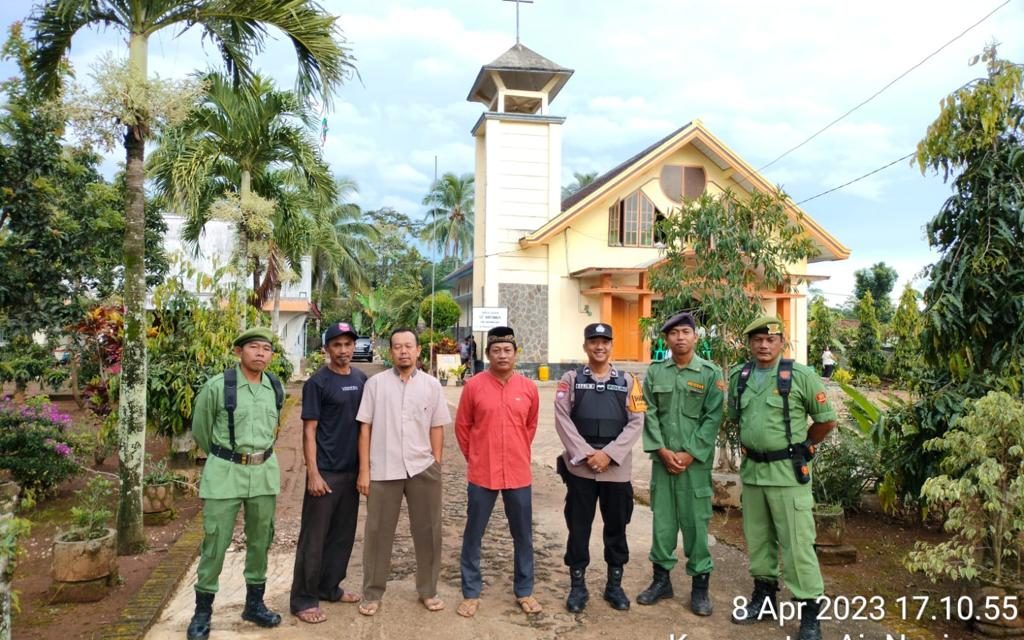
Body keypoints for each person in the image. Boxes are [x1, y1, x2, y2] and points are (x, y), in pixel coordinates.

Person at [728, 316, 837, 640]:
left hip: (788, 475)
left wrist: (805, 446)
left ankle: (809, 614)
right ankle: (763, 599)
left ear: (781, 343)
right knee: (759, 542)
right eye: (758, 339)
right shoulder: (740, 376)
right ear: (749, 343)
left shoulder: (800, 375)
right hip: (753, 474)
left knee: (797, 545)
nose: (763, 345)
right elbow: (737, 417)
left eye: (770, 340)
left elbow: (826, 421)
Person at [187, 328, 285, 640]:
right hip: (225, 472)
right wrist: (225, 456)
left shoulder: (274, 386)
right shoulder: (218, 387)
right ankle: (203, 611)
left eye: (266, 348)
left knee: (260, 540)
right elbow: (201, 430)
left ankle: (254, 604)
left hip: (263, 473)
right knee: (215, 541)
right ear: (238, 352)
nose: (260, 353)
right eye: (253, 347)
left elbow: (273, 428)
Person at [355, 328, 451, 617]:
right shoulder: (375, 384)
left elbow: (437, 426)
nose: (403, 351)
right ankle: (372, 592)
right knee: (377, 533)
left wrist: (436, 462)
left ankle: (428, 589)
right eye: (397, 347)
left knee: (429, 531)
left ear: (419, 350)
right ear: (391, 352)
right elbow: (365, 428)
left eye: (408, 346)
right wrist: (364, 471)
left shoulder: (432, 386)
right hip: (383, 469)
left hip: (423, 468)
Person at [637, 311, 724, 616]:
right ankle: (662, 582)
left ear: (695, 337)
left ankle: (700, 588)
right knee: (662, 522)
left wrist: (689, 453)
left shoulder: (711, 374)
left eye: (686, 332)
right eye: (673, 334)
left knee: (696, 524)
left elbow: (713, 417)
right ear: (666, 339)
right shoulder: (657, 372)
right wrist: (661, 450)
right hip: (662, 463)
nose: (680, 338)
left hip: (694, 466)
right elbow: (647, 412)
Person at [553, 322, 645, 613]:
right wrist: (585, 454)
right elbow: (562, 419)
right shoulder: (571, 378)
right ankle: (577, 586)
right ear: (585, 346)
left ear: (611, 345)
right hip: (581, 469)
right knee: (578, 528)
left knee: (617, 528)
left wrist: (609, 455)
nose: (599, 346)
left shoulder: (629, 381)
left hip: (615, 470)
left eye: (605, 341)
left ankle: (614, 585)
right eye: (593, 341)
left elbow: (636, 421)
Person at [455, 326, 542, 618]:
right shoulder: (474, 386)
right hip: (483, 473)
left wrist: (516, 451)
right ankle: (470, 591)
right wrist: (476, 456)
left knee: (523, 535)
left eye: (507, 350)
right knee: (473, 533)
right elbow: (463, 427)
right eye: (496, 350)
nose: (502, 355)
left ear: (515, 354)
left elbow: (529, 426)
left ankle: (525, 590)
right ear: (488, 354)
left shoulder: (529, 389)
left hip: (518, 473)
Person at [289, 322, 367, 624]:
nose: (344, 350)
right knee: (314, 538)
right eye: (337, 345)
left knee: (342, 536)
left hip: (352, 472)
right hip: (326, 473)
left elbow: (365, 428)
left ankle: (329, 587)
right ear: (327, 349)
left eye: (348, 345)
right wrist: (313, 473)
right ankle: (303, 599)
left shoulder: (361, 379)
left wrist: (365, 470)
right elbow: (309, 431)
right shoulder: (317, 383)